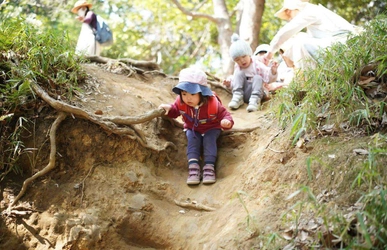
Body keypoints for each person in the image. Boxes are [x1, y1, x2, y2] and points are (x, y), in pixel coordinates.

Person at [159, 67, 234, 185]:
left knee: (209, 140)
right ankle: (193, 169)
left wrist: (226, 122)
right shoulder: (181, 102)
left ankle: (209, 168)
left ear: (202, 93)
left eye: (192, 93)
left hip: (211, 128)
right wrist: (169, 109)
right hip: (192, 128)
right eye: (184, 93)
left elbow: (225, 114)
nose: (188, 98)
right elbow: (175, 111)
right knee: (193, 142)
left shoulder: (212, 104)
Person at [263, 0, 357, 71]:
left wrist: (269, 54)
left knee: (298, 41)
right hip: (340, 47)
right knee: (300, 38)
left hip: (344, 47)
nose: (289, 18)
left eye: (289, 13)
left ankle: (306, 81)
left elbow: (285, 32)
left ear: (292, 8)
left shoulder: (310, 11)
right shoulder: (315, 13)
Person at [223, 34, 278, 112]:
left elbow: (268, 77)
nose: (242, 61)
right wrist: (229, 84)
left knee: (258, 77)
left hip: (258, 93)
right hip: (244, 94)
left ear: (249, 54)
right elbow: (236, 83)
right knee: (239, 74)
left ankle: (255, 102)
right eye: (237, 59)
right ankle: (237, 98)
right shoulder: (238, 68)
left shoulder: (257, 64)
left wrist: (273, 71)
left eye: (244, 56)